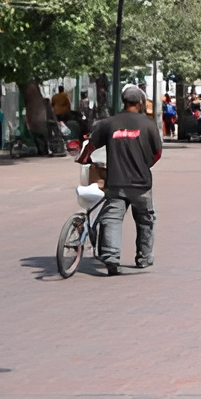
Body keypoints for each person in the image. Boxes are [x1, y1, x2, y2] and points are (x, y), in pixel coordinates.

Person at [78, 84, 161, 274]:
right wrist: (145, 165)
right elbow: (157, 153)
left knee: (112, 219)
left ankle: (111, 259)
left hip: (116, 182)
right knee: (145, 220)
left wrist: (84, 159)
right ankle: (144, 258)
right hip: (141, 184)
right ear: (140, 102)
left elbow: (90, 146)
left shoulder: (108, 123)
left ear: (124, 102)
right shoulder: (148, 125)